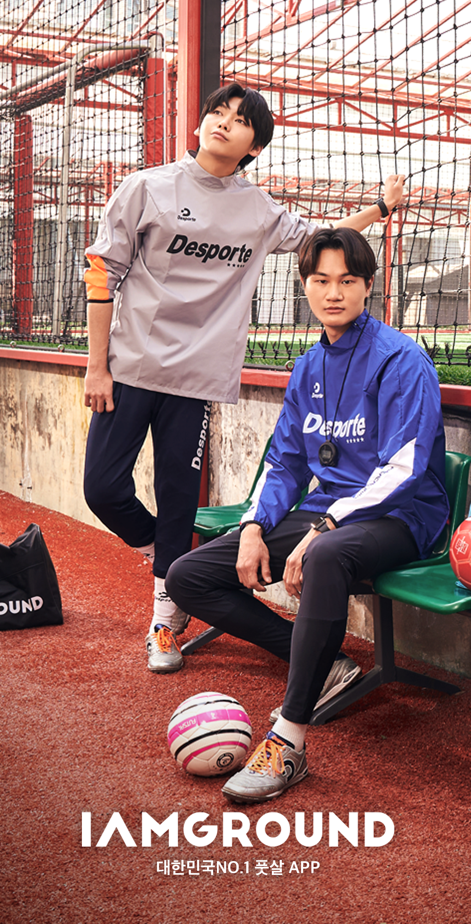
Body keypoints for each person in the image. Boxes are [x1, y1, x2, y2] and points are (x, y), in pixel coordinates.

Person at [83, 81, 404, 676]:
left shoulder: (256, 209)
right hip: (128, 369)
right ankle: (172, 559)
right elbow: (102, 276)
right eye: (218, 111)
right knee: (101, 489)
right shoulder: (147, 187)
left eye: (240, 119)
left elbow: (323, 242)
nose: (224, 122)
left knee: (181, 500)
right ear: (202, 121)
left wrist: (380, 210)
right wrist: (96, 364)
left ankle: (166, 617)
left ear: (255, 145)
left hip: (199, 379)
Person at [166, 226, 449, 804]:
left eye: (348, 280)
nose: (334, 292)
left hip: (402, 518)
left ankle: (289, 740)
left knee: (324, 552)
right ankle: (327, 666)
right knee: (187, 577)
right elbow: (285, 461)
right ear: (305, 286)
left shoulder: (401, 360)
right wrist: (253, 526)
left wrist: (326, 525)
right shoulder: (308, 366)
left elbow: (405, 468)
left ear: (369, 286)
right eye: (321, 280)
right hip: (330, 512)